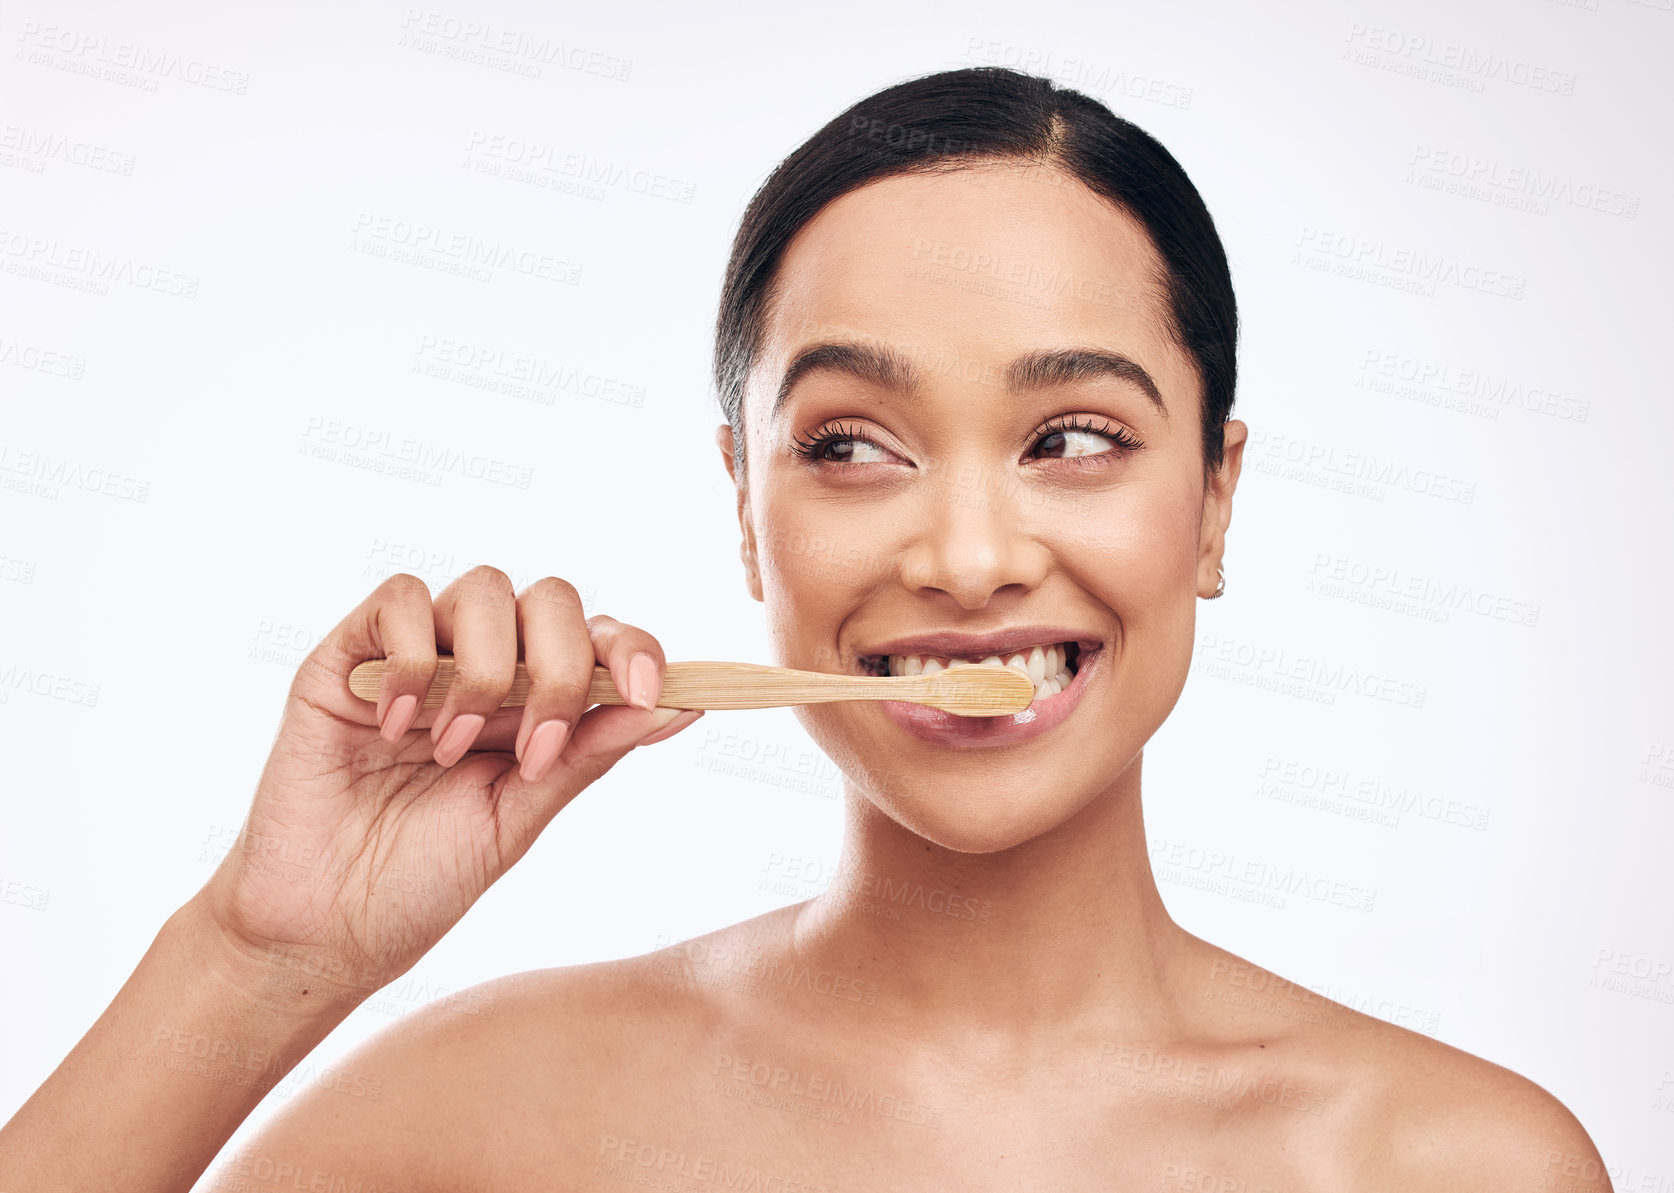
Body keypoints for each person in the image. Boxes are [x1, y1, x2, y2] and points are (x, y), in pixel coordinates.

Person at [0, 66, 1612, 1191]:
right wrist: (257, 956)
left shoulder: (1456, 1164)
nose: (970, 556)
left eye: (1074, 439)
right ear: (742, 502)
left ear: (1212, 504)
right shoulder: (471, 1125)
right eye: (850, 444)